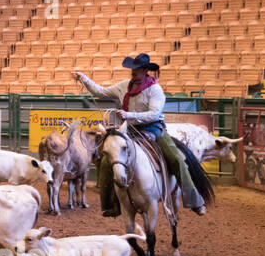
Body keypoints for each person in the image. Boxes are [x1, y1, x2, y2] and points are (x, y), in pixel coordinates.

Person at [72, 53, 205, 218]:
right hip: (131, 130)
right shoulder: (124, 86)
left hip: (154, 129)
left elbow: (155, 114)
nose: (132, 72)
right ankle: (111, 204)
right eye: (132, 69)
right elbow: (101, 91)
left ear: (144, 70)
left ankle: (195, 200)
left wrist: (129, 115)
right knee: (107, 160)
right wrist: (84, 79)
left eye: (136, 69)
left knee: (176, 158)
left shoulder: (155, 89)